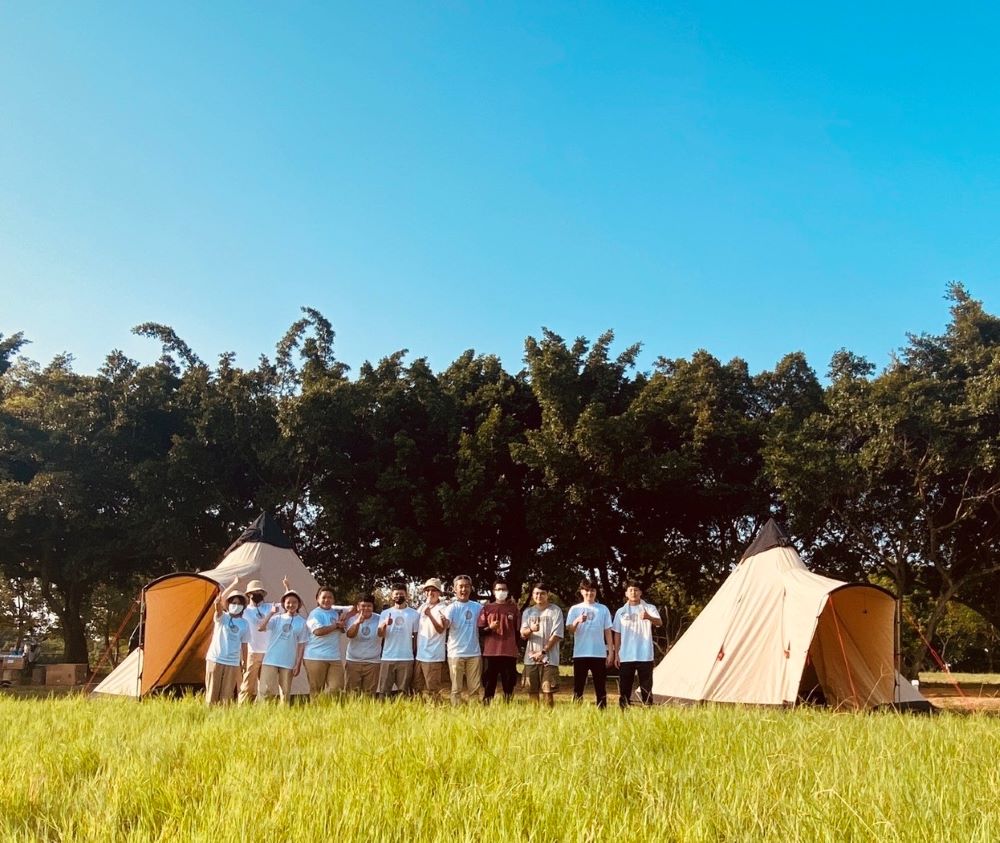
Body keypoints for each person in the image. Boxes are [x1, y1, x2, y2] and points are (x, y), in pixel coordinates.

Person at [238, 576, 289, 704]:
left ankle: (262, 708)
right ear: (249, 594)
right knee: (248, 684)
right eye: (255, 592)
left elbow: (288, 604)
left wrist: (287, 587)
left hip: (268, 652)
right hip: (252, 651)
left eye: (260, 592)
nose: (257, 594)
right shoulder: (244, 610)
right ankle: (242, 707)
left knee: (266, 684)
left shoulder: (270, 607)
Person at [612, 581, 662, 708]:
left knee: (646, 686)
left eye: (636, 590)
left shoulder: (649, 608)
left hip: (644, 654)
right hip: (626, 655)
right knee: (625, 686)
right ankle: (624, 710)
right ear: (626, 593)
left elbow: (659, 623)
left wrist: (649, 617)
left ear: (640, 592)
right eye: (630, 590)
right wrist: (616, 654)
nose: (633, 592)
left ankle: (648, 709)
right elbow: (617, 633)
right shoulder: (620, 612)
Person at [566, 579, 614, 708]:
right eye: (586, 590)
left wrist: (611, 652)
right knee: (578, 686)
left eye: (592, 590)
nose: (589, 593)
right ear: (582, 592)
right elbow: (570, 630)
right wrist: (577, 621)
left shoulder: (603, 609)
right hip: (580, 653)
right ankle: (576, 710)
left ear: (596, 592)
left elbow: (608, 631)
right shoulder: (575, 609)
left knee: (600, 686)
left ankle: (602, 711)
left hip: (599, 653)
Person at [257, 589, 309, 704]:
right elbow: (260, 627)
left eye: (294, 602)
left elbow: (301, 645)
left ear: (299, 604)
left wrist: (298, 664)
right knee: (265, 689)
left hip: (288, 661)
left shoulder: (302, 622)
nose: (291, 605)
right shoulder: (277, 618)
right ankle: (262, 711)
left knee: (285, 692)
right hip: (271, 659)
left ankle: (283, 712)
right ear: (283, 604)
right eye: (288, 602)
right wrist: (271, 613)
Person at [205, 577, 250, 706]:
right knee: (212, 693)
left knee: (227, 695)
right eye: (233, 602)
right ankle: (208, 715)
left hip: (232, 662)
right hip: (215, 659)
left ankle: (224, 716)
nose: (236, 605)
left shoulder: (244, 624)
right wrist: (234, 584)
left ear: (243, 607)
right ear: (228, 604)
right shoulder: (222, 617)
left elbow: (244, 644)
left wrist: (244, 661)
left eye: (239, 603)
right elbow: (218, 602)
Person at [303, 586, 354, 699]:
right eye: (324, 597)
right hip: (315, 657)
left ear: (334, 599)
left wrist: (344, 617)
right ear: (317, 599)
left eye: (330, 597)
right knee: (316, 689)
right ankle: (317, 707)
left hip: (334, 656)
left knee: (337, 687)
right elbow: (318, 631)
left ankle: (324, 702)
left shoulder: (336, 612)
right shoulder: (315, 614)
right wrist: (336, 625)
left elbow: (353, 608)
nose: (327, 600)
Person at [520, 583, 564, 707]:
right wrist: (531, 629)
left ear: (547, 594)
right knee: (532, 691)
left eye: (542, 593)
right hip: (531, 658)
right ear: (532, 595)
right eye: (536, 593)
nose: (539, 596)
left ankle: (548, 716)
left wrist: (543, 651)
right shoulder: (528, 612)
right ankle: (534, 716)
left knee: (548, 691)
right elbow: (523, 634)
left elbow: (557, 634)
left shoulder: (555, 611)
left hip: (549, 658)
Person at [442, 575, 484, 705]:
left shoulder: (478, 607)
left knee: (475, 688)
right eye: (460, 586)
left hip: (474, 652)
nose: (463, 589)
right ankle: (456, 710)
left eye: (466, 586)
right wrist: (443, 621)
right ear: (454, 589)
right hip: (456, 653)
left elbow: (484, 624)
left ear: (471, 588)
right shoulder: (451, 608)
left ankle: (474, 710)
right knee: (456, 688)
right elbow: (446, 625)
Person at [478, 579, 520, 704]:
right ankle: (487, 704)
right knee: (489, 681)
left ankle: (507, 705)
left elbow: (518, 631)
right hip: (491, 652)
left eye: (504, 589)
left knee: (509, 681)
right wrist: (490, 628)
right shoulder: (486, 608)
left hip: (509, 652)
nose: (501, 592)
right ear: (493, 591)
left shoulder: (514, 609)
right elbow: (480, 631)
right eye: (498, 589)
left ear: (507, 591)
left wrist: (515, 646)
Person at [377, 583, 419, 698]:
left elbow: (416, 636)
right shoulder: (385, 613)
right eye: (396, 594)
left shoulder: (414, 614)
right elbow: (380, 634)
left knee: (403, 692)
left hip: (406, 658)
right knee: (384, 691)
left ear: (406, 595)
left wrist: (413, 653)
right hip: (387, 657)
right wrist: (385, 624)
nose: (398, 596)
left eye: (401, 594)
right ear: (392, 596)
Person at [412, 578, 449, 703]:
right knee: (417, 689)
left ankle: (436, 711)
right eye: (427, 590)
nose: (430, 593)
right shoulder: (422, 607)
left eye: (433, 590)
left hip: (433, 656)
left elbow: (441, 629)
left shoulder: (443, 608)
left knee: (433, 690)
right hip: (420, 655)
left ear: (439, 593)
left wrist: (430, 615)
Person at [344, 594, 382, 695]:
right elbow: (350, 635)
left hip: (373, 661)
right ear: (358, 607)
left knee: (369, 693)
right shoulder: (352, 619)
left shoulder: (379, 618)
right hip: (353, 661)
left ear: (373, 607)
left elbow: (383, 634)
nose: (366, 608)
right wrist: (357, 623)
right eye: (363, 606)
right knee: (351, 693)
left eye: (369, 606)